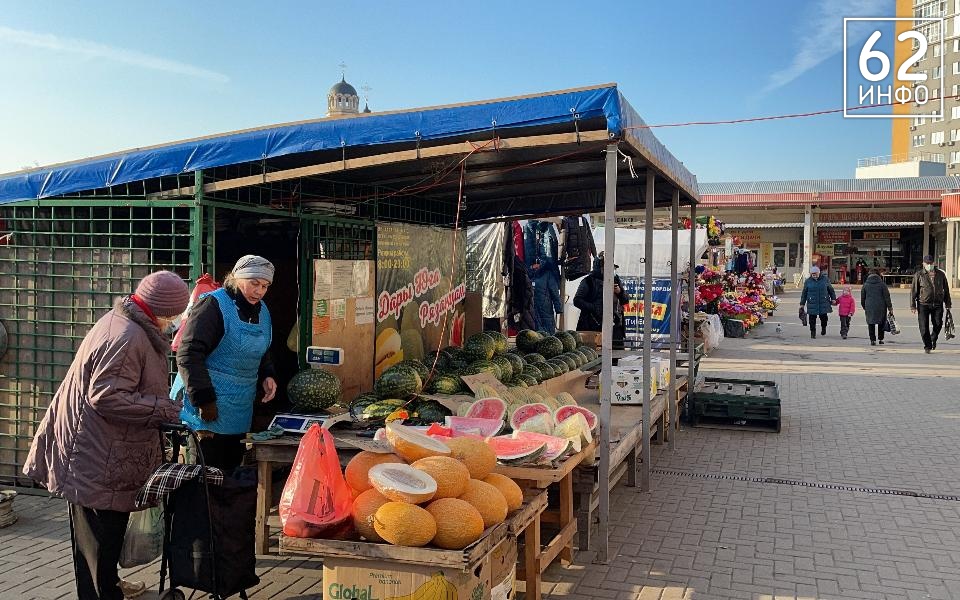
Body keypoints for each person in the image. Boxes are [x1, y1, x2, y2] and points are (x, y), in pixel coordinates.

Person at [22, 271, 190, 600]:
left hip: (100, 450)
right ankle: (103, 592)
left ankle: (108, 587)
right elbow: (107, 396)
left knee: (102, 542)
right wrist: (165, 409)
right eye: (176, 314)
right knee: (98, 544)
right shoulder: (127, 336)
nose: (176, 321)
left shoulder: (128, 323)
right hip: (96, 455)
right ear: (163, 310)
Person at [173, 255, 277, 472]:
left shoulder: (263, 310)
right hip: (208, 409)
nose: (259, 291)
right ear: (237, 278)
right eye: (254, 283)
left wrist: (268, 374)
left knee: (230, 473)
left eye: (265, 286)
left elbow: (262, 348)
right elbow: (189, 353)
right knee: (205, 475)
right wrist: (204, 400)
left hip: (239, 406)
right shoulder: (213, 305)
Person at [574, 253, 629, 348]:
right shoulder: (588, 281)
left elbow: (625, 300)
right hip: (593, 325)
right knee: (595, 356)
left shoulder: (616, 280)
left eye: (613, 268)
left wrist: (619, 292)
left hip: (615, 326)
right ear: (600, 267)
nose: (611, 270)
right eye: (607, 267)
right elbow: (577, 300)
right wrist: (594, 307)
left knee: (616, 355)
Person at [523, 219, 563, 333]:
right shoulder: (529, 275)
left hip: (544, 311)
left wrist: (558, 308)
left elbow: (554, 292)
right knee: (536, 333)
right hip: (534, 311)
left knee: (546, 332)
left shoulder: (545, 274)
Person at [911, 254, 952, 353]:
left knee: (938, 324)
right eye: (927, 263)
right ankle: (927, 346)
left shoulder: (941, 274)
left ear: (934, 263)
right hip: (923, 303)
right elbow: (914, 291)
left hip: (937, 303)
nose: (929, 265)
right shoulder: (919, 275)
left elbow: (946, 289)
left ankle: (933, 338)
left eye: (930, 263)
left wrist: (948, 303)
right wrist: (913, 305)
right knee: (923, 327)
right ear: (923, 264)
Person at [799, 266, 836, 339]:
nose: (814, 275)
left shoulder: (825, 279)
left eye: (815, 274)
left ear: (819, 273)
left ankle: (823, 328)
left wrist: (833, 299)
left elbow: (831, 290)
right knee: (812, 319)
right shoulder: (808, 281)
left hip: (823, 301)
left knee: (824, 318)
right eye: (812, 274)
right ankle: (813, 333)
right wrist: (802, 304)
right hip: (812, 302)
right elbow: (804, 293)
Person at [861, 268, 892, 346]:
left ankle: (872, 340)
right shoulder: (882, 284)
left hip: (869, 306)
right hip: (881, 307)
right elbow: (887, 297)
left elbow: (863, 298)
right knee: (881, 323)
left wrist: (864, 306)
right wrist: (890, 307)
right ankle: (881, 339)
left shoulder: (865, 285)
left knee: (871, 323)